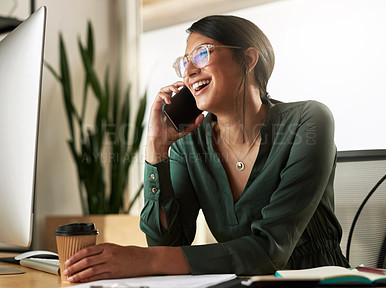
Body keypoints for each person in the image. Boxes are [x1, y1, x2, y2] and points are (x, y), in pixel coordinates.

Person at [63, 15, 349, 283]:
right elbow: (168, 245)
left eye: (202, 54)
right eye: (183, 63)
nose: (188, 71)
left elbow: (270, 249)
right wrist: (156, 148)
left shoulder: (308, 121)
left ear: (248, 59)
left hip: (318, 282)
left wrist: (145, 260)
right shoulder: (190, 144)